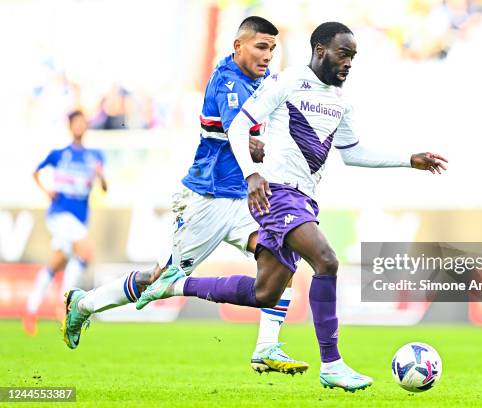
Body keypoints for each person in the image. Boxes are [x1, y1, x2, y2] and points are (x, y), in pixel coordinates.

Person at [137, 22, 448, 392]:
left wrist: (407, 159)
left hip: (304, 199)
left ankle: (174, 285)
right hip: (278, 193)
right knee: (327, 261)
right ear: (320, 50)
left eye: (353, 57)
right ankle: (332, 364)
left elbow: (353, 154)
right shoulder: (287, 82)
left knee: (265, 293)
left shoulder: (340, 100)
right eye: (343, 54)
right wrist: (252, 175)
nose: (349, 63)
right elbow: (239, 128)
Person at [62, 16, 308, 375]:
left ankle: (267, 348)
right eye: (260, 46)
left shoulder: (265, 80)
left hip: (243, 199)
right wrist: (257, 150)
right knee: (160, 278)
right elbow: (239, 132)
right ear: (237, 46)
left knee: (282, 255)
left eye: (272, 48)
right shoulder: (228, 82)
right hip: (207, 199)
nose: (268, 54)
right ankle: (84, 305)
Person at [24, 110, 107, 336]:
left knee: (57, 262)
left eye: (83, 123)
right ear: (70, 126)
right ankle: (65, 307)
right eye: (76, 123)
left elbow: (105, 188)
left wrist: (100, 176)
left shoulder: (96, 156)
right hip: (60, 214)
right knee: (86, 252)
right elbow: (35, 172)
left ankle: (31, 310)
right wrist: (46, 191)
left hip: (80, 218)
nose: (80, 126)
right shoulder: (59, 154)